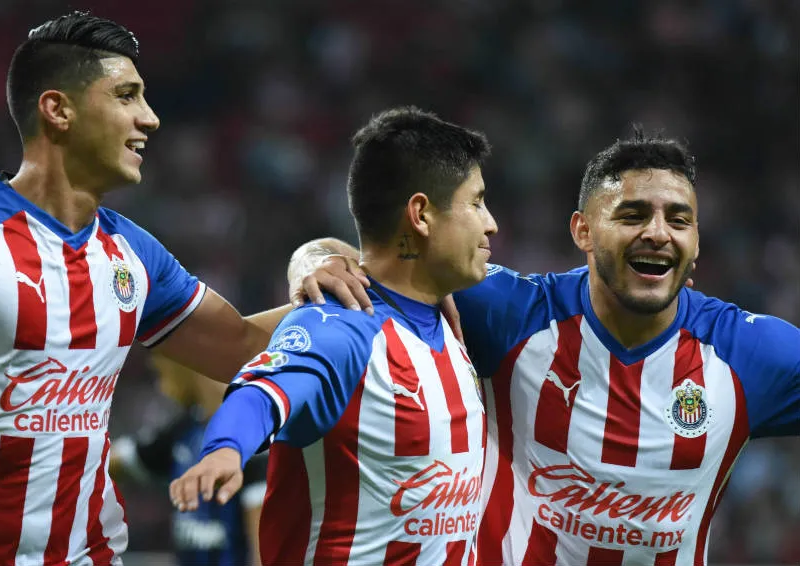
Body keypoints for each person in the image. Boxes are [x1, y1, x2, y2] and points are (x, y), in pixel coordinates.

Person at [0, 12, 368, 566]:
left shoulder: (133, 255)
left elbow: (242, 349)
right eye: (127, 96)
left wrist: (312, 260)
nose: (150, 119)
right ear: (58, 110)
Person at [300, 130, 800, 565]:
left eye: (678, 219)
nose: (657, 233)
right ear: (582, 230)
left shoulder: (749, 354)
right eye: (632, 215)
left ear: (695, 242)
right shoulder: (510, 313)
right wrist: (312, 261)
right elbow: (383, 258)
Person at [170, 106, 498, 565]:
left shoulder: (449, 315)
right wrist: (224, 449)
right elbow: (262, 394)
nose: (491, 224)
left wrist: (314, 254)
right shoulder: (343, 325)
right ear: (420, 214)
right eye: (477, 202)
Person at [109, 353, 267, 566]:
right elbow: (112, 463)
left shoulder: (252, 439)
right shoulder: (184, 430)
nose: (160, 384)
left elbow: (264, 553)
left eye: (160, 368)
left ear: (185, 363)